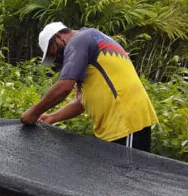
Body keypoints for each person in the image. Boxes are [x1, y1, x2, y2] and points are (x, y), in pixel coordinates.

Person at [20, 22, 158, 151]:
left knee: (128, 168)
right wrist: (51, 117)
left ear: (59, 37)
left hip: (126, 121)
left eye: (54, 51)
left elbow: (64, 87)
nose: (57, 57)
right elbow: (81, 102)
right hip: (119, 124)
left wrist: (34, 112)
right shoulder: (92, 40)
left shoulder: (79, 40)